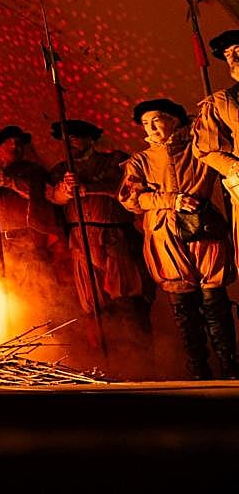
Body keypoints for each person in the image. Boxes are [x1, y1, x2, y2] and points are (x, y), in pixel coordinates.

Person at [121, 98, 236, 379]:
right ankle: (199, 369)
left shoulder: (198, 150)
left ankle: (231, 366)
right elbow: (132, 199)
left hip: (203, 228)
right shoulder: (140, 160)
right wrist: (171, 200)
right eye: (145, 123)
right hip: (165, 232)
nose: (151, 127)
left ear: (175, 120)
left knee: (214, 298)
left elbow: (221, 157)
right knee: (183, 303)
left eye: (156, 120)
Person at [45, 119, 154, 361]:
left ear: (90, 139)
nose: (70, 143)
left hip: (114, 237)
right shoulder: (60, 170)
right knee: (93, 306)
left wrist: (87, 188)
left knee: (127, 300)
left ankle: (140, 358)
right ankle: (106, 361)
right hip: (80, 241)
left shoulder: (115, 160)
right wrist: (65, 190)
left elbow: (123, 188)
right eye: (66, 139)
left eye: (75, 138)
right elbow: (53, 197)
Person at [0, 126, 76, 327]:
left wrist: (8, 182)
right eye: (9, 141)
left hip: (27, 243)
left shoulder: (33, 172)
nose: (15, 146)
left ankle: (39, 332)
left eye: (19, 142)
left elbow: (44, 194)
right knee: (1, 294)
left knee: (35, 293)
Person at [192, 28, 239, 274]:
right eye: (228, 55)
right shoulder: (222, 101)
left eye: (238, 51)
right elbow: (205, 149)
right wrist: (233, 167)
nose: (234, 58)